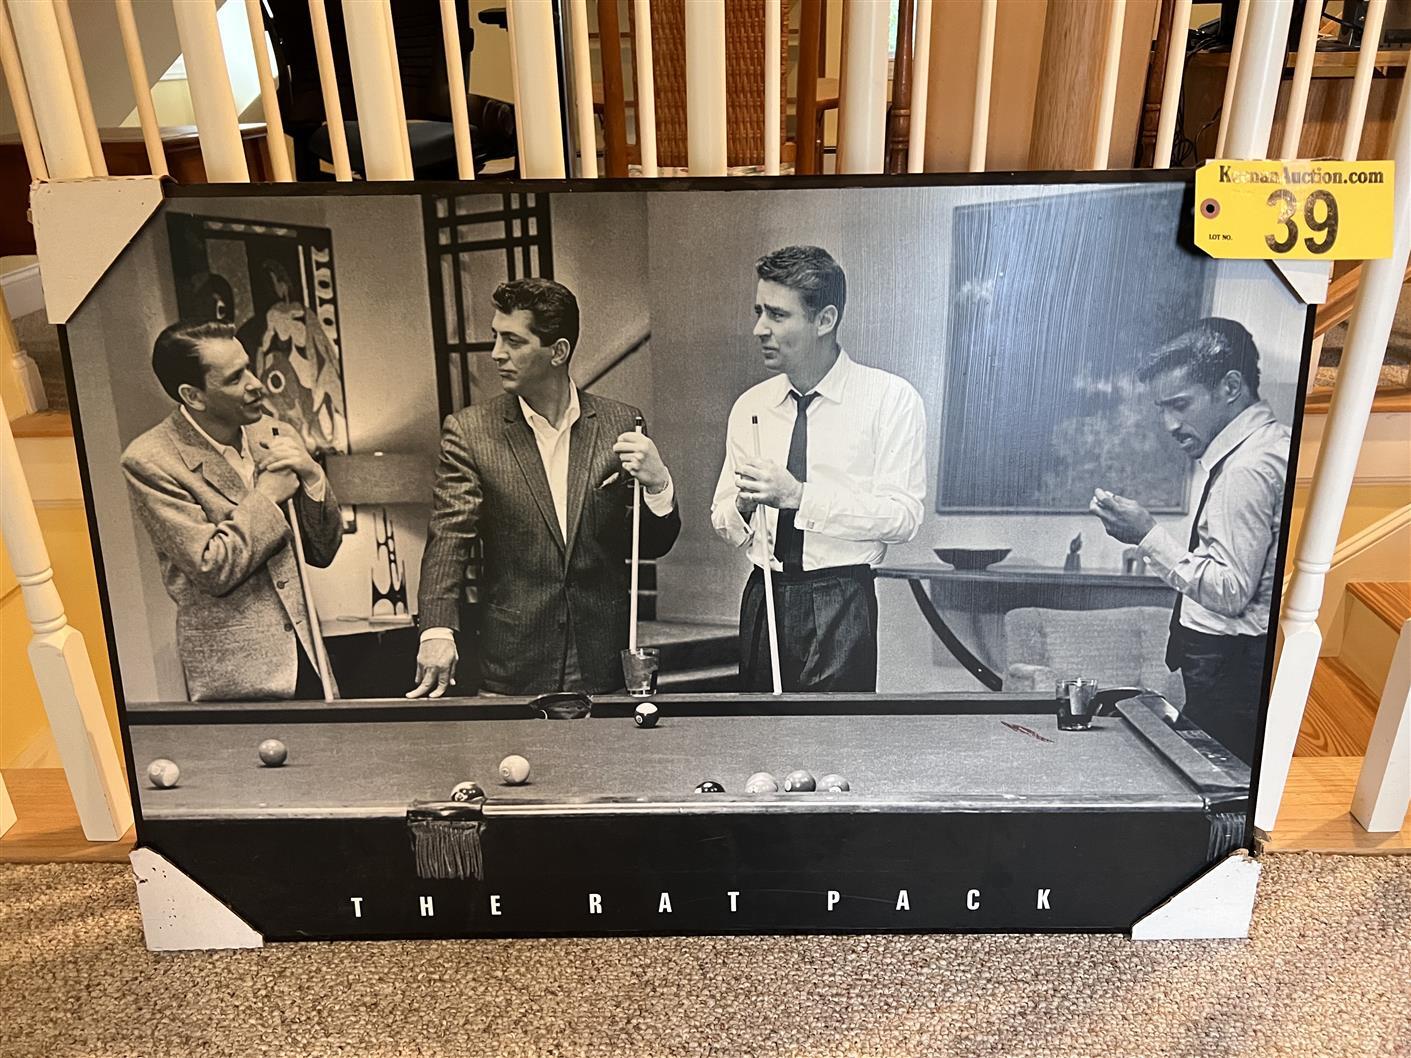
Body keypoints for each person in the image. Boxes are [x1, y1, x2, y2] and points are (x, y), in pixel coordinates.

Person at [411, 278, 681, 698]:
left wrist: (659, 484)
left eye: (513, 341)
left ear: (558, 351)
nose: (496, 353)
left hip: (603, 665)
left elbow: (650, 544)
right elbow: (449, 537)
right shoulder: (470, 432)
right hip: (513, 665)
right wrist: (437, 629)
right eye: (496, 337)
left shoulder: (621, 423)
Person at [710, 245, 927, 692]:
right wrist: (745, 506)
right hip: (764, 593)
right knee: (757, 728)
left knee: (834, 731)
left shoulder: (890, 400)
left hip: (841, 599)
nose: (759, 329)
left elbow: (903, 518)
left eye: (777, 315)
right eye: (759, 312)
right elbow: (725, 524)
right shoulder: (750, 406)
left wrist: (799, 497)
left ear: (825, 320)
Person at [1091, 318, 1291, 766]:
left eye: (1180, 404)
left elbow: (1231, 591)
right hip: (1232, 671)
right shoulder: (1262, 448)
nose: (1169, 424)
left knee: (1213, 786)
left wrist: (1146, 535)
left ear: (1231, 387)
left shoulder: (1246, 469)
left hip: (1231, 677)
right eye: (1162, 409)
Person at [120, 320, 343, 701]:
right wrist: (267, 498)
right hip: (236, 680)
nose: (257, 384)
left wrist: (313, 478)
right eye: (236, 378)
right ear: (194, 396)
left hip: (310, 663)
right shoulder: (150, 461)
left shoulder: (273, 433)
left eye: (249, 368)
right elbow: (212, 568)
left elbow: (322, 551)